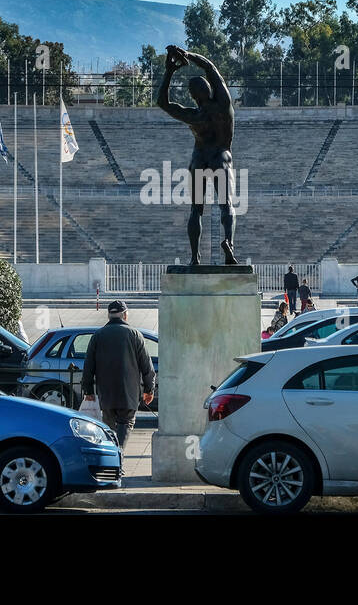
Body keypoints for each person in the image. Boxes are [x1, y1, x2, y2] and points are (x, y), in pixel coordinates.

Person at [157, 45, 238, 265]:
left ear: (193, 96)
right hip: (221, 156)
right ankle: (228, 243)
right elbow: (210, 66)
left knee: (196, 209)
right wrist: (188, 55)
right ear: (210, 89)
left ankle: (195, 258)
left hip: (199, 159)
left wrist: (169, 71)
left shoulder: (194, 116)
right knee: (226, 204)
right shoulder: (223, 104)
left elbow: (162, 103)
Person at [82, 300, 155, 455]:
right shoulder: (135, 335)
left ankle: (112, 456)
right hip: (129, 392)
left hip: (106, 392)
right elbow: (147, 366)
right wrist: (149, 389)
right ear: (125, 315)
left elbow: (88, 365)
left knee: (109, 426)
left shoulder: (98, 335)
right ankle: (118, 455)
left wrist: (88, 389)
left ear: (109, 315)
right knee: (126, 423)